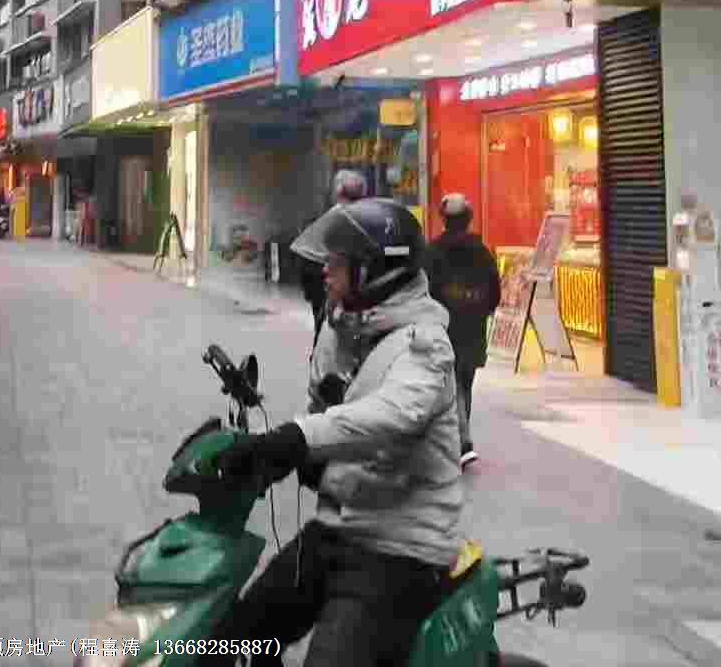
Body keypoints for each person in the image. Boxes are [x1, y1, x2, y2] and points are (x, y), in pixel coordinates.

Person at [204, 196, 464, 666]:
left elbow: (392, 415)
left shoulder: (425, 345)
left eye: (338, 261)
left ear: (374, 271)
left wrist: (297, 439)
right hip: (337, 531)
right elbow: (326, 414)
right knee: (232, 639)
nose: (325, 270)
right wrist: (273, 452)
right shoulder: (343, 330)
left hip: (399, 549)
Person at [424, 193, 500, 469]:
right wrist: (482, 309)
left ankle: (461, 441)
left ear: (444, 219)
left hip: (445, 328)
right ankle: (461, 439)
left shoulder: (432, 252)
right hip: (473, 328)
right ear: (468, 219)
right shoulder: (482, 252)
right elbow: (494, 291)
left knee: (454, 383)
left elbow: (425, 289)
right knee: (464, 383)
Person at [300, 170, 371, 335]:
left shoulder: (326, 223)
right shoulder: (372, 222)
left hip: (333, 302)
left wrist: (314, 294)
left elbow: (308, 262)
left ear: (336, 193)